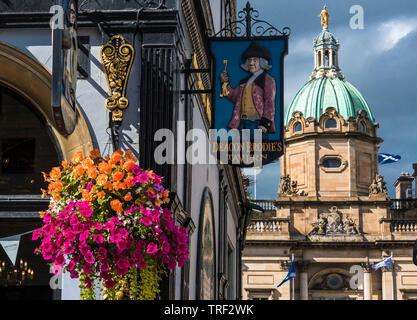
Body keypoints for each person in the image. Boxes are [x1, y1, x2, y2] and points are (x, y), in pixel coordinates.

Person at [219, 42, 276, 139]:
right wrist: (225, 83)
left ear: (262, 62)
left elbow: (269, 102)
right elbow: (234, 97)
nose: (251, 63)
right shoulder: (245, 82)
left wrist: (265, 124)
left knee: (258, 152)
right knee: (243, 152)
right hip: (242, 123)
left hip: (257, 124)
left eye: (254, 60)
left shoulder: (267, 80)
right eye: (249, 60)